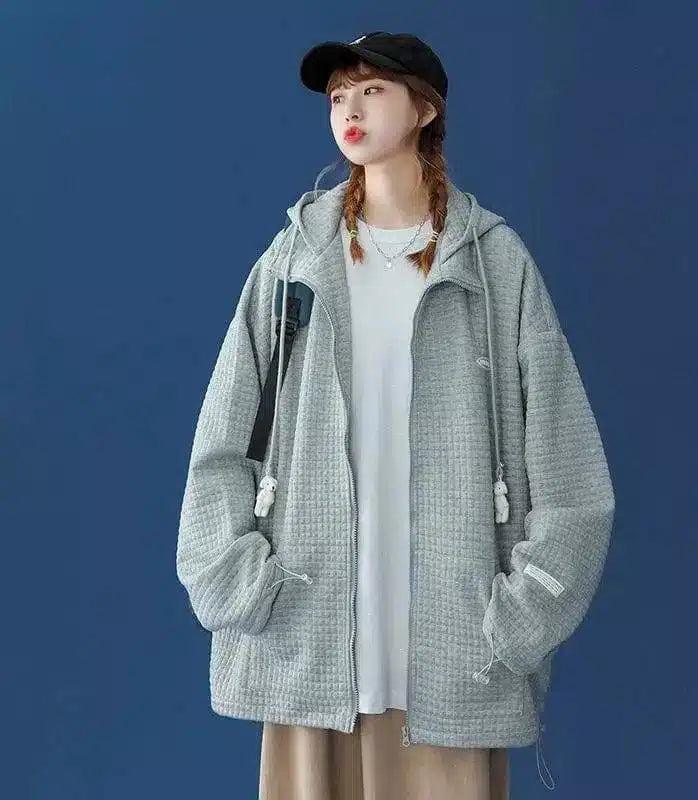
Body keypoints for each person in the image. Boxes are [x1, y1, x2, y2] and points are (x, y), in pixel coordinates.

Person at [176, 31, 615, 800]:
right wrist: (242, 588)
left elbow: (571, 469)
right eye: (338, 96)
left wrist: (518, 619)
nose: (349, 109)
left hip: (457, 664)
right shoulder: (292, 264)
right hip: (307, 651)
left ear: (424, 109)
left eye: (372, 90)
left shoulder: (494, 264)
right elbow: (221, 446)